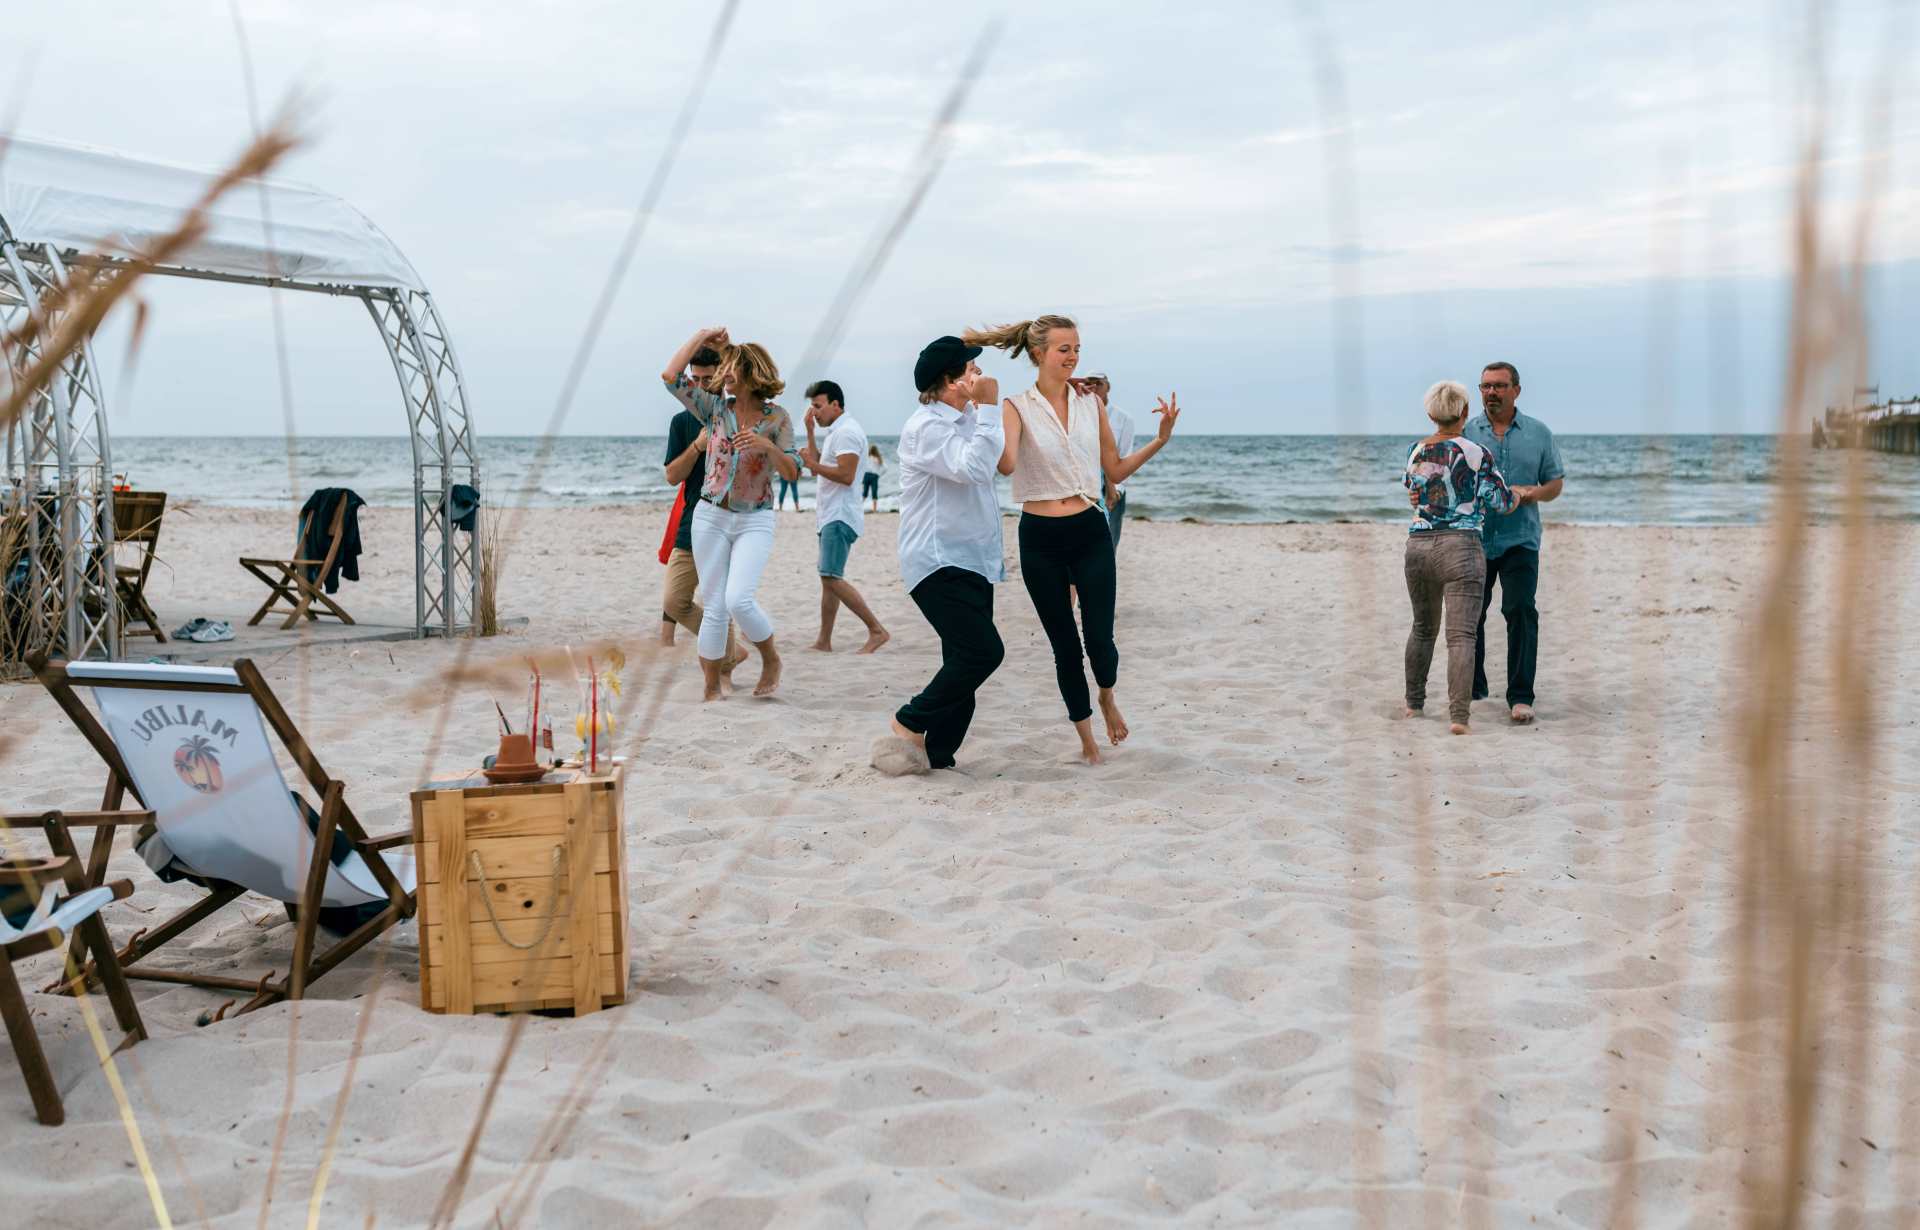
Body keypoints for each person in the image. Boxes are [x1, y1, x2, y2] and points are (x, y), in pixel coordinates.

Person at [967, 314, 1178, 765]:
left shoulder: (1090, 404)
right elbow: (1005, 466)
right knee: (1065, 646)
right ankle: (1085, 738)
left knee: (1100, 640)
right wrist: (984, 407)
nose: (1074, 356)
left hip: (1089, 530)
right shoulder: (1015, 406)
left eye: (1077, 348)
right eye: (1065, 349)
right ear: (1039, 354)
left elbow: (1114, 470)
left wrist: (1160, 440)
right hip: (1039, 537)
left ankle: (1106, 696)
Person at [876, 336, 1006, 774]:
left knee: (962, 663)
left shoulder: (968, 417)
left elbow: (1002, 458)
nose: (979, 376)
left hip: (974, 558)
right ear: (951, 382)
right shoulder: (925, 427)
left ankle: (938, 757)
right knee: (982, 653)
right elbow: (974, 468)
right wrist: (989, 410)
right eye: (972, 370)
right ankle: (908, 720)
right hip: (936, 560)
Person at [660, 325, 798, 701]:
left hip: (755, 518)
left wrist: (767, 449)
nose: (726, 376)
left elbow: (793, 471)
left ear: (752, 373)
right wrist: (701, 336)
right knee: (717, 604)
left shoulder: (778, 419)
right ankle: (710, 688)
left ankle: (770, 659)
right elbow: (670, 376)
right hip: (711, 515)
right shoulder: (714, 410)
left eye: (733, 369)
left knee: (740, 599)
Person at [1402, 380, 1520, 735]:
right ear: (1465, 413)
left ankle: (1413, 704)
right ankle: (1458, 717)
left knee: (1422, 629)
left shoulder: (1415, 450)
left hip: (1418, 546)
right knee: (1461, 636)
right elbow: (1499, 502)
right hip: (1461, 547)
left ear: (1430, 414)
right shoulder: (1478, 452)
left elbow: (1413, 489)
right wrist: (1519, 494)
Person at [1464, 362, 1564, 724]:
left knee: (1520, 612)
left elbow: (1555, 483)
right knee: (1470, 615)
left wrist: (1534, 494)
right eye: (1486, 386)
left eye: (1500, 386)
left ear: (1516, 390)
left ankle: (1520, 696)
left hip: (1521, 538)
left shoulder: (1539, 433)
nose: (1492, 393)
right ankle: (1474, 689)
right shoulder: (1466, 432)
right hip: (1473, 537)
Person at [658, 346, 740, 671]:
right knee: (674, 602)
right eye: (697, 378)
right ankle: (730, 652)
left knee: (720, 604)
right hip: (690, 522)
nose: (703, 384)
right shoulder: (681, 422)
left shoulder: (737, 417)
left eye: (710, 377)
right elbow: (671, 476)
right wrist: (696, 446)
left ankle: (726, 666)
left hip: (727, 524)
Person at [799, 379, 889, 654]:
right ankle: (824, 641)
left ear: (835, 405)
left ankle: (877, 630)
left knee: (830, 576)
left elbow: (847, 476)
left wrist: (812, 463)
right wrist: (810, 433)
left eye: (818, 406)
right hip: (830, 514)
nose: (814, 412)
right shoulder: (836, 431)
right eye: (812, 407)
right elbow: (819, 468)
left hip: (839, 515)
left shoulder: (847, 432)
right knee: (829, 580)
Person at [1082, 374, 1134, 548]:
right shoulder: (1078, 413)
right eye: (1089, 383)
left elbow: (1125, 456)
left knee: (1110, 542)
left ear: (1108, 387)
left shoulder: (1123, 418)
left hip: (1113, 487)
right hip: (1084, 486)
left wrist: (1117, 492)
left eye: (1099, 383)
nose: (1094, 386)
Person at [863, 444, 884, 511]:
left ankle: (859, 508)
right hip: (874, 476)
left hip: (866, 475)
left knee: (864, 493)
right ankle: (874, 509)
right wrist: (879, 474)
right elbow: (886, 468)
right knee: (874, 492)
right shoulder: (878, 459)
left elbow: (862, 467)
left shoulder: (867, 457)